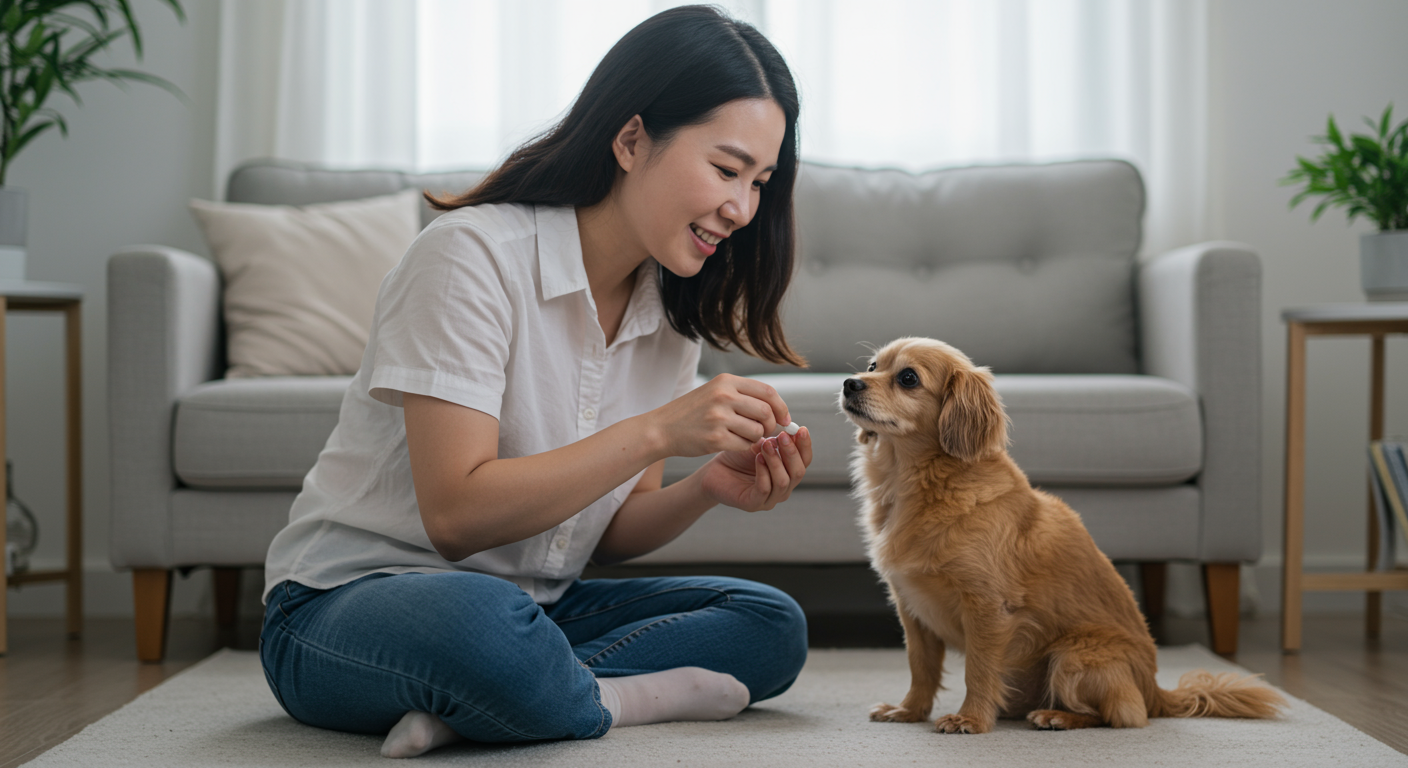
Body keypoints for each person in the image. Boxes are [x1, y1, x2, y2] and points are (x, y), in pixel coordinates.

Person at [258, 5, 814, 759]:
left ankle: (502, 697)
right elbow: (455, 517)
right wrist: (659, 431)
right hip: (343, 606)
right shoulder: (471, 257)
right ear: (631, 138)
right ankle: (607, 696)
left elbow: (606, 537)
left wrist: (709, 486)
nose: (740, 209)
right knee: (480, 626)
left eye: (759, 182)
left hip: (538, 610)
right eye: (725, 169)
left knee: (770, 624)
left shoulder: (667, 318)